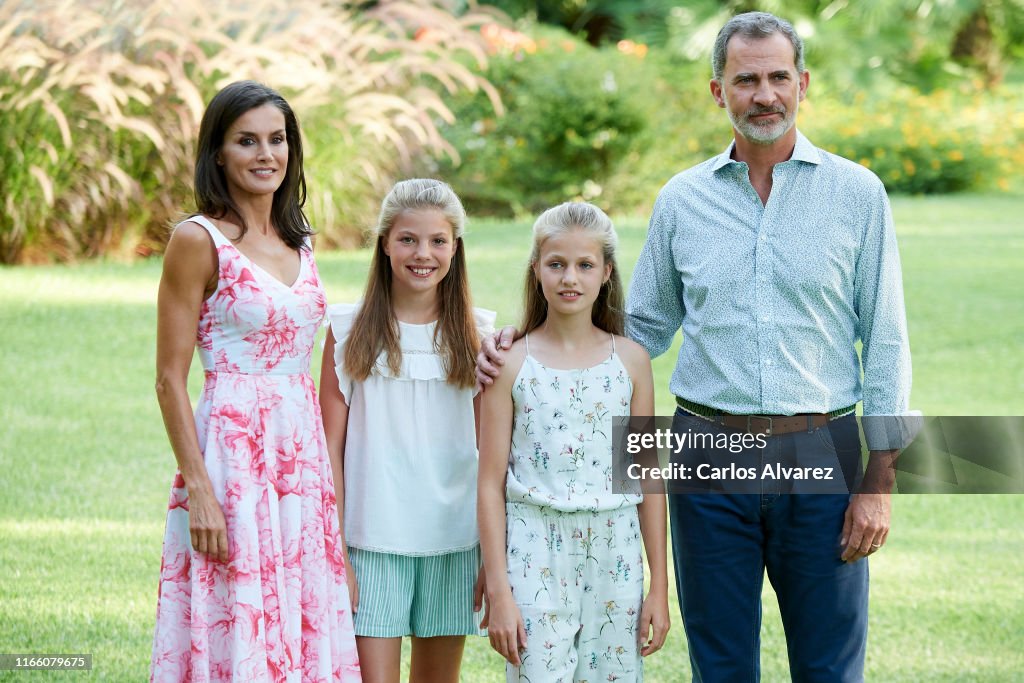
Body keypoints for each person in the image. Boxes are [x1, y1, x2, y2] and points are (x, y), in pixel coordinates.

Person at [479, 12, 912, 682]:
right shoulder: (682, 201)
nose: (763, 94)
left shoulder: (857, 195)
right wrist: (531, 340)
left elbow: (884, 341)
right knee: (721, 666)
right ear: (719, 92)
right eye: (746, 80)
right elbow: (640, 326)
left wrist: (879, 482)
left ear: (802, 83)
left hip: (821, 454)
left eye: (776, 78)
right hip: (709, 459)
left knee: (830, 667)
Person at [151, 81, 360, 681]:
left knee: (301, 606)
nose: (266, 154)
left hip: (301, 453)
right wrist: (199, 488)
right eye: (246, 141)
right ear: (217, 153)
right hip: (233, 456)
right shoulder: (197, 241)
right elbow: (169, 378)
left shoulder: (303, 241)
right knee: (235, 610)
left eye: (277, 139)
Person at [477, 202, 670, 682]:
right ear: (537, 269)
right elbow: (488, 484)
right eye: (556, 264)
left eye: (585, 265)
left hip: (615, 552)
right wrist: (500, 590)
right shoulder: (511, 364)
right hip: (534, 549)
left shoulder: (631, 361)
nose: (570, 278)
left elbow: (647, 479)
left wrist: (659, 589)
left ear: (606, 272)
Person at [318, 178, 494, 683]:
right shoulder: (347, 330)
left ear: (455, 248)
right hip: (370, 542)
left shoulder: (480, 337)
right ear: (384, 243)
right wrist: (337, 553)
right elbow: (330, 445)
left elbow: (491, 452)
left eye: (438, 241)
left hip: (453, 542)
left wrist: (492, 555)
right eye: (408, 239)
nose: (423, 253)